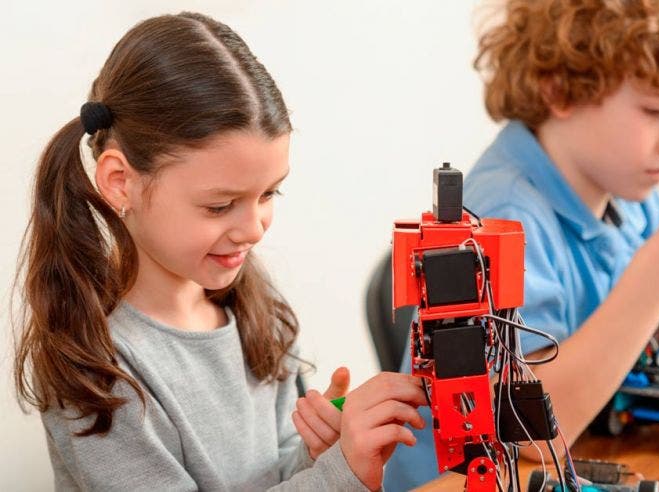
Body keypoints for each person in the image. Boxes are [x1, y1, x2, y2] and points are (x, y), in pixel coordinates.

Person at [382, 0, 659, 489]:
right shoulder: (501, 216)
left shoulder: (629, 196)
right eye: (655, 110)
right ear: (561, 90)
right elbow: (529, 439)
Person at [13, 12, 423, 491]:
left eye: (269, 194)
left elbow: (267, 479)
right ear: (120, 182)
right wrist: (339, 475)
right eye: (219, 205)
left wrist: (317, 452)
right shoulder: (95, 369)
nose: (253, 229)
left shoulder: (252, 308)